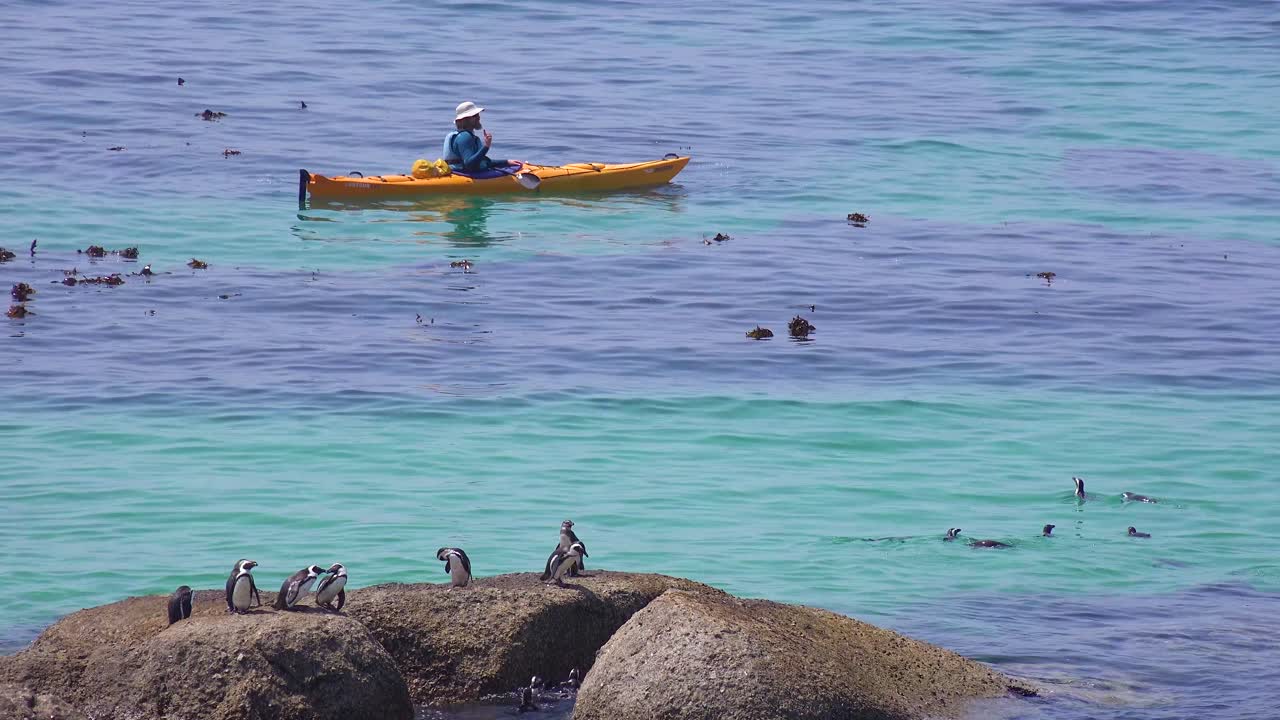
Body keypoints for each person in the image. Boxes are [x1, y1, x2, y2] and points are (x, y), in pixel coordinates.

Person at [443, 101, 517, 174]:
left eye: (478, 114)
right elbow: (470, 164)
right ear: (465, 120)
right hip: (463, 174)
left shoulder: (458, 135)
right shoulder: (465, 137)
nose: (478, 117)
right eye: (474, 115)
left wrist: (506, 162)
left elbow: (480, 161)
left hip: (456, 172)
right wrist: (486, 146)